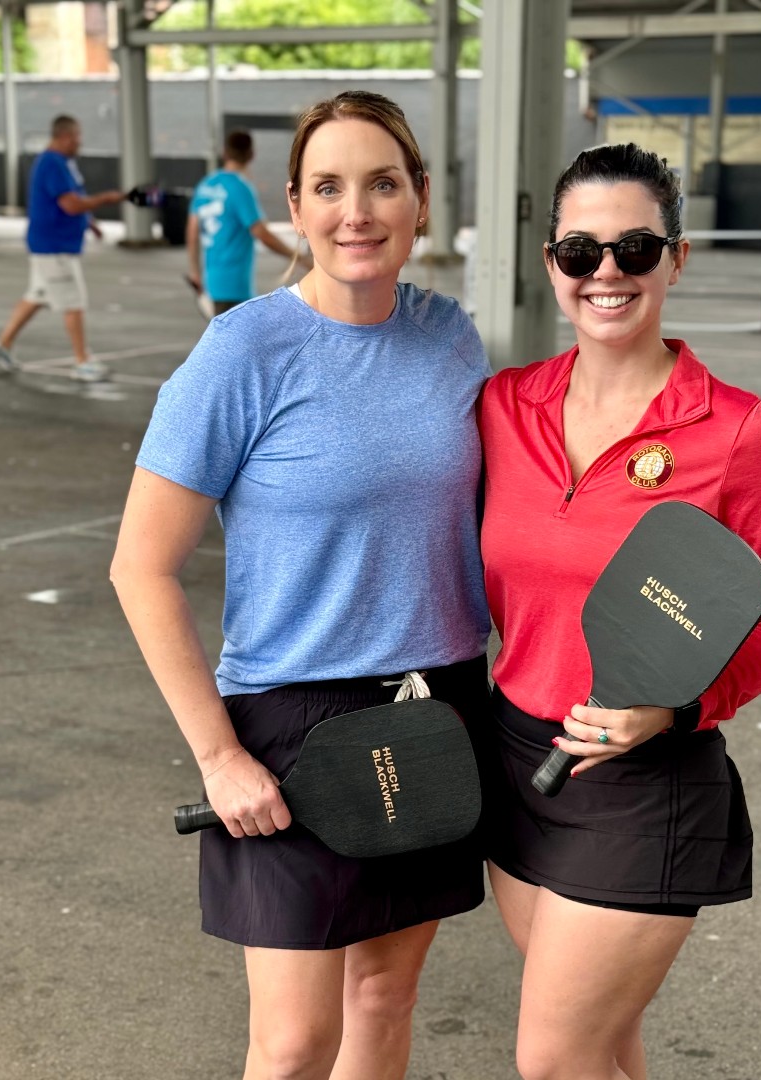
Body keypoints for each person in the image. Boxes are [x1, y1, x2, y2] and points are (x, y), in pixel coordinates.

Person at [109, 90, 491, 1080]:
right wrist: (217, 755)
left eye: (381, 184)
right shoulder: (243, 351)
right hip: (290, 725)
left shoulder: (452, 335)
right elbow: (141, 567)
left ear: (420, 201)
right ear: (294, 203)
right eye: (328, 186)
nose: (355, 210)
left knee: (385, 998)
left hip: (435, 711)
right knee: (290, 1048)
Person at [478, 143, 761, 1080]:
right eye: (580, 252)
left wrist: (677, 708)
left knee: (553, 1058)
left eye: (635, 248)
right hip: (516, 760)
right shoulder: (504, 408)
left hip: (644, 782)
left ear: (677, 256)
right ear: (550, 262)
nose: (607, 274)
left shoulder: (737, 432)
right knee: (605, 1046)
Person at [0, 114, 124, 381]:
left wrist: (89, 222)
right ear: (65, 136)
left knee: (37, 296)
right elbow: (70, 204)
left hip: (51, 245)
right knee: (74, 302)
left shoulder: (63, 164)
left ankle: (3, 344)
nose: (79, 142)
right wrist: (105, 199)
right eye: (77, 136)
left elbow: (73, 201)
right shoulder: (52, 164)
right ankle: (82, 361)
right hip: (54, 248)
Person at [186, 128, 309, 316]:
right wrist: (297, 257)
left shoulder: (205, 185)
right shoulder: (240, 188)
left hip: (211, 283)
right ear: (251, 154)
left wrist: (195, 272)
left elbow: (192, 232)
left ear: (224, 153)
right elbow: (261, 233)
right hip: (234, 286)